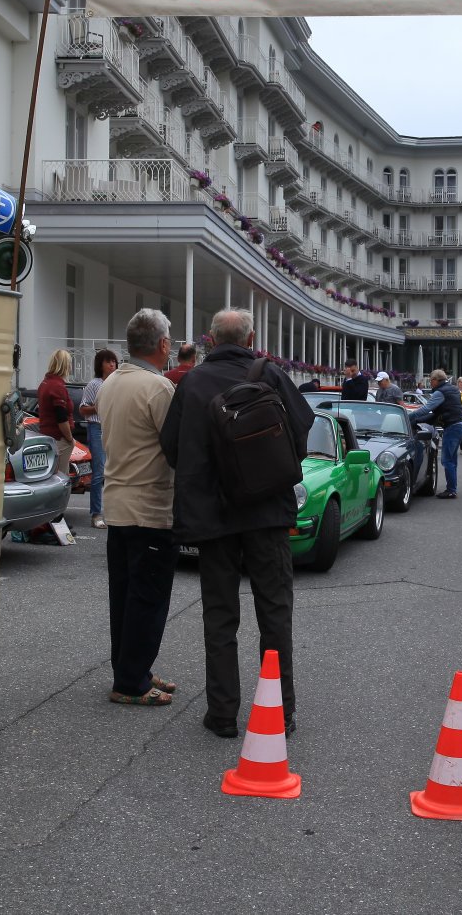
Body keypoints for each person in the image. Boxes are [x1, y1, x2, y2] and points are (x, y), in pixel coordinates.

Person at [159, 308, 314, 739]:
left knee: (220, 616)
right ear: (250, 338)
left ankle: (223, 713)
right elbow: (301, 433)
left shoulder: (192, 383)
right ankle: (279, 711)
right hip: (267, 512)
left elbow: (171, 447)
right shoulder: (271, 375)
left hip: (214, 517)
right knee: (275, 613)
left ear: (210, 340)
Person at [97, 310, 179, 706]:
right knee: (148, 598)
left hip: (117, 503)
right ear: (162, 344)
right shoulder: (159, 388)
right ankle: (131, 681)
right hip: (150, 506)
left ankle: (131, 669)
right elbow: (175, 447)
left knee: (125, 596)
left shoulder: (111, 382)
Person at [409, 369, 462, 499]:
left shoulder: (440, 392)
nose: (430, 383)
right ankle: (452, 488)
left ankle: (451, 490)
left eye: (431, 380)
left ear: (436, 380)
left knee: (447, 460)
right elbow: (436, 415)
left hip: (452, 426)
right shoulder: (452, 389)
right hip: (460, 424)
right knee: (452, 459)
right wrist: (417, 421)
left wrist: (409, 417)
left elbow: (426, 409)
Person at [79, 348, 119, 529]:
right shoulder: (94, 384)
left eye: (114, 361)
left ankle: (113, 511)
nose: (112, 364)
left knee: (115, 472)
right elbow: (82, 409)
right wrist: (99, 406)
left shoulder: (117, 383)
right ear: (100, 364)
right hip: (97, 427)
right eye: (108, 361)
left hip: (114, 427)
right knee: (99, 471)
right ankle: (96, 513)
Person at [36, 349, 76, 478]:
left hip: (47, 436)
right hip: (59, 438)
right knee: (61, 478)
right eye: (69, 363)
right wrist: (70, 439)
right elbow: (61, 418)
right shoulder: (57, 386)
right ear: (65, 365)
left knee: (49, 476)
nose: (70, 367)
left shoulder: (44, 383)